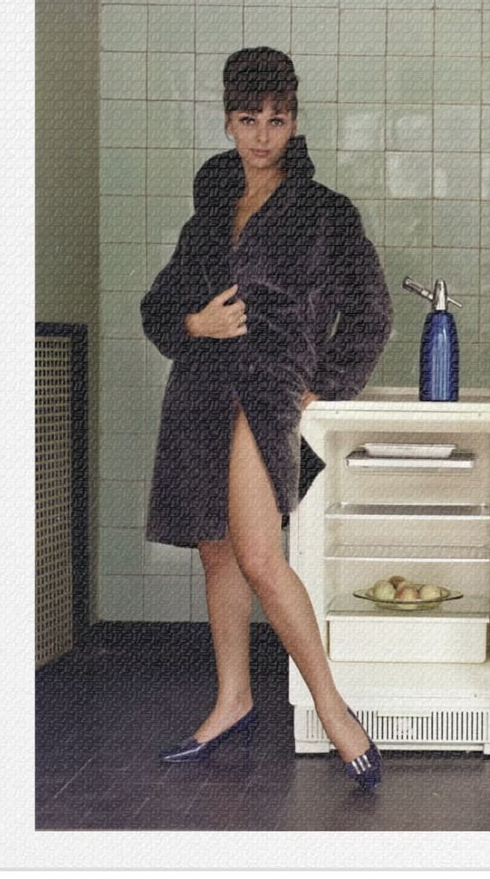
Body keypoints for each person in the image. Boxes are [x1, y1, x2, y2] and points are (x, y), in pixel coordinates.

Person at [141, 47, 392, 790]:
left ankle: (333, 710)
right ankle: (233, 700)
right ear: (228, 121)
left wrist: (325, 382)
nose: (261, 135)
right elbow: (158, 308)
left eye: (276, 120)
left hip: (266, 391)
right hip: (199, 390)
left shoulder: (325, 213)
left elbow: (372, 311)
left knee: (257, 554)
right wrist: (194, 325)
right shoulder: (207, 216)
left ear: (294, 122)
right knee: (216, 550)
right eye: (248, 119)